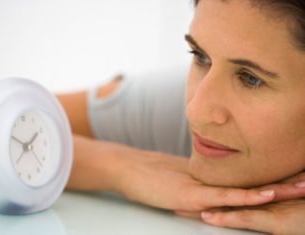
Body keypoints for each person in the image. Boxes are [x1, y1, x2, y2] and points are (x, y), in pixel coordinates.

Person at [56, 0, 305, 234]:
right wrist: (124, 168)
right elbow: (22, 118)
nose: (195, 112)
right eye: (200, 56)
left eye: (251, 79)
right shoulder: (173, 102)